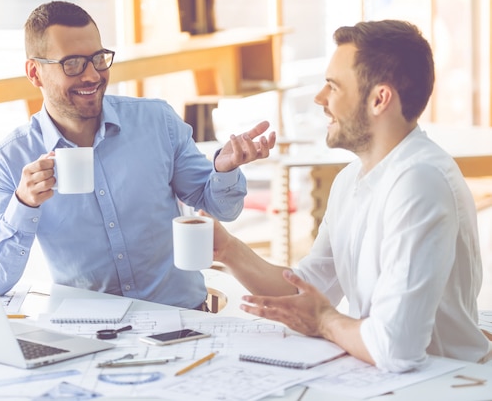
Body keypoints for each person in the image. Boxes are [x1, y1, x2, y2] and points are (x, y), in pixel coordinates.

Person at [210, 19, 492, 372]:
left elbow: (395, 348)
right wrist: (228, 250)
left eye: (333, 86)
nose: (319, 99)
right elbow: (308, 289)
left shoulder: (420, 182)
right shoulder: (350, 181)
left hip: (447, 379)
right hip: (389, 375)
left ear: (379, 99)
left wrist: (325, 321)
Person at [0, 0, 276, 310]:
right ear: (34, 73)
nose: (92, 75)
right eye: (73, 63)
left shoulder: (157, 122)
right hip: (88, 331)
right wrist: (23, 203)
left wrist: (224, 170)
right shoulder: (8, 161)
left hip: (181, 318)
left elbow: (223, 209)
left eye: (98, 59)